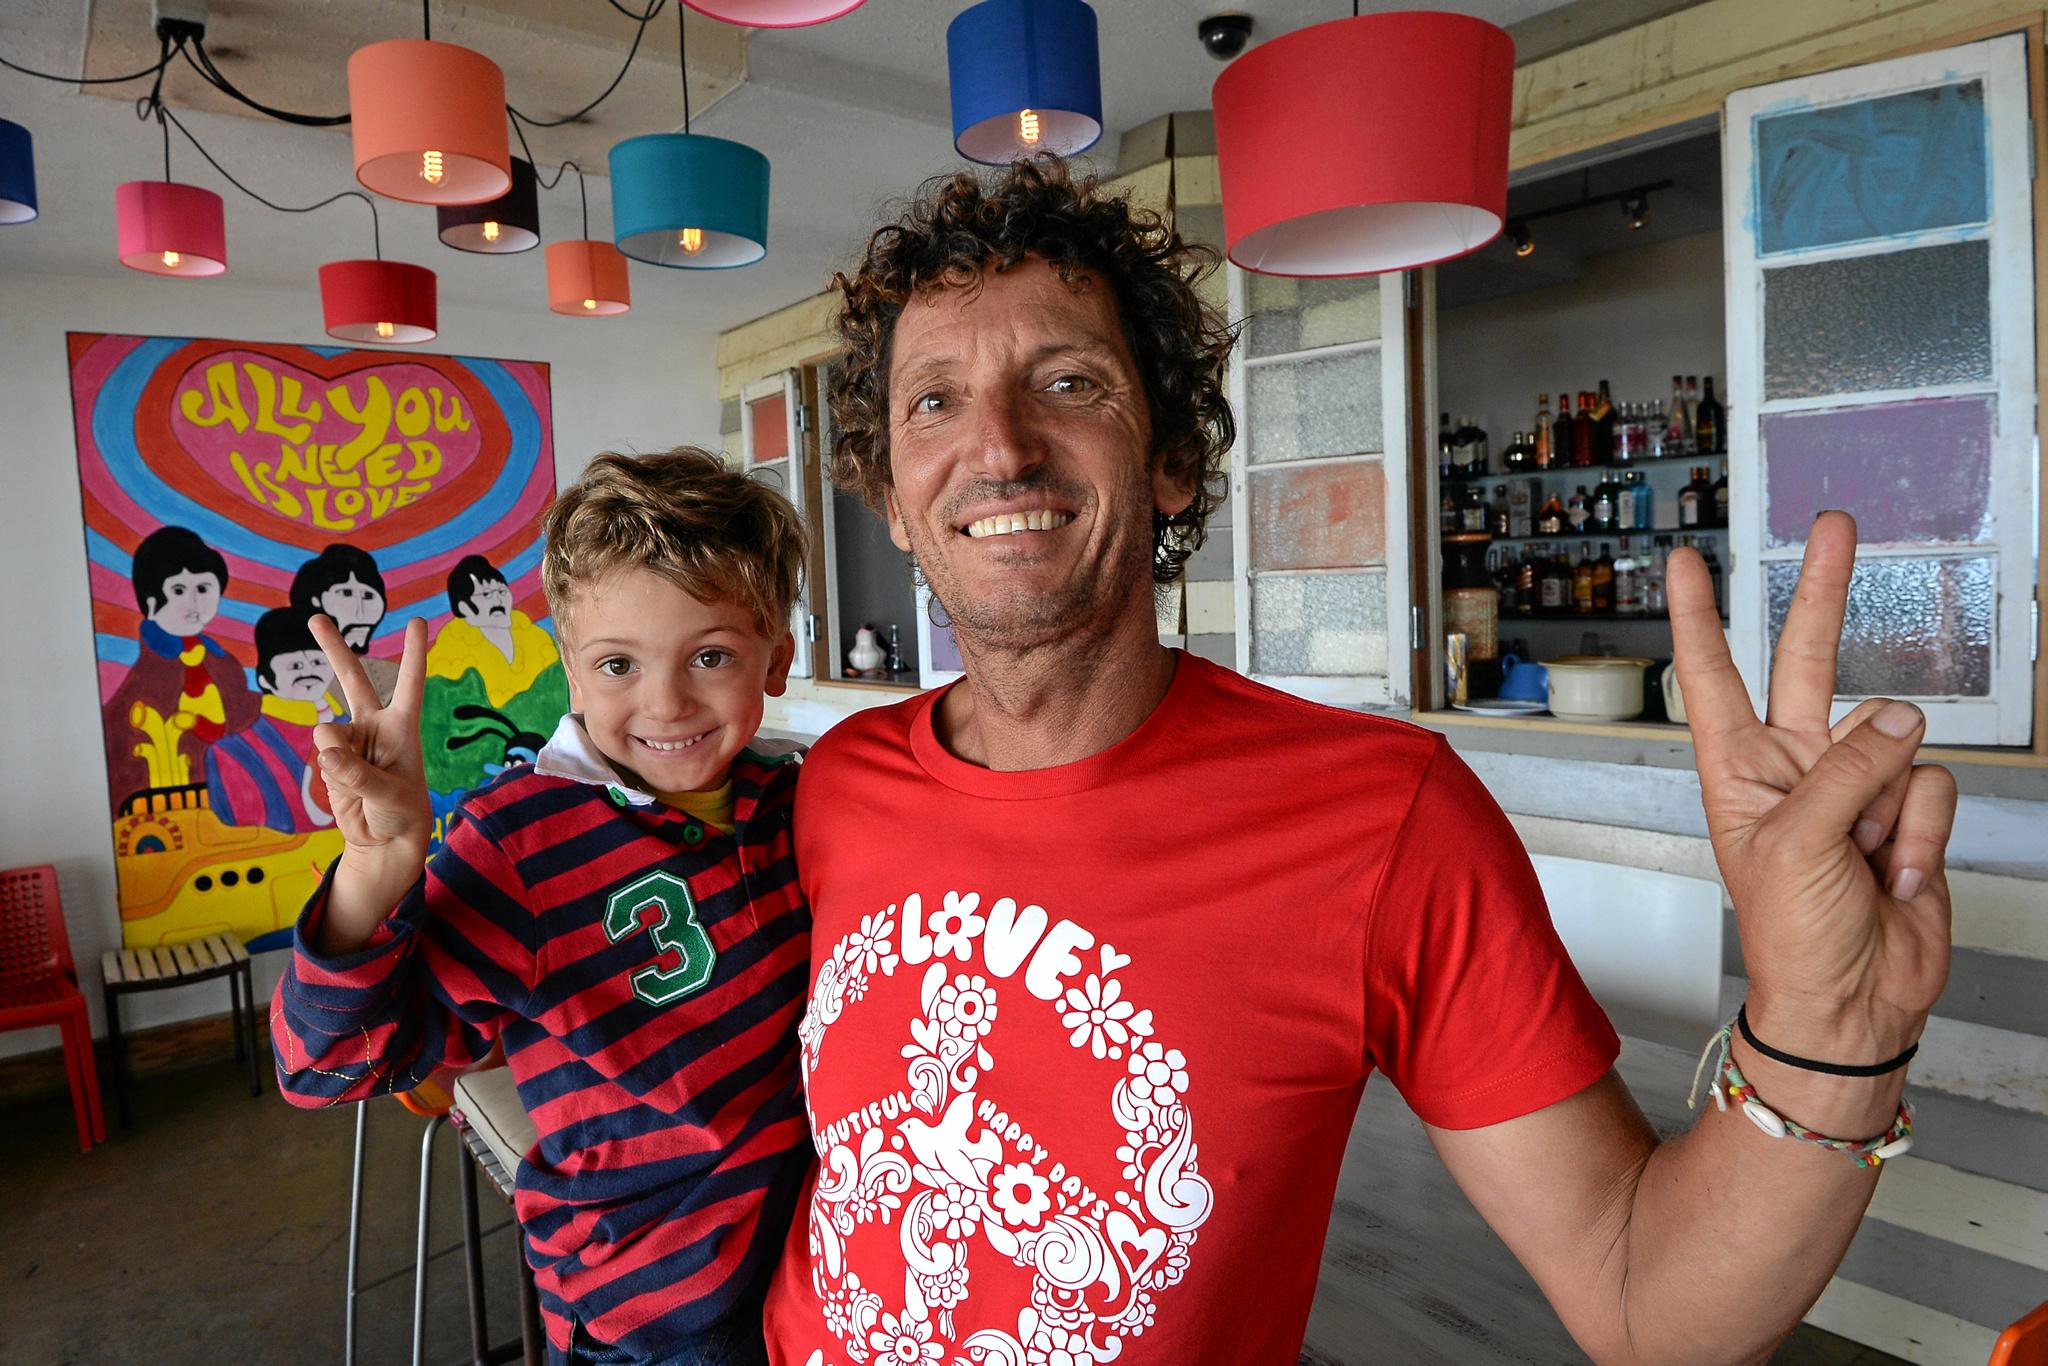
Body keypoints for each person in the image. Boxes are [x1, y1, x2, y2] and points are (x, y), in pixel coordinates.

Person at [762, 160, 1958, 1365]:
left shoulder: (1384, 817)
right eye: (932, 403)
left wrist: (1828, 1031)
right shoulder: (833, 785)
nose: (999, 447)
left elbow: (1649, 1304)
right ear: (894, 501)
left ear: (1172, 456)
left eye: (1067, 381)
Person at [272, 448, 816, 1364]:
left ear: (777, 658)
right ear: (570, 666)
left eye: (712, 654)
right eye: (617, 664)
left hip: (811, 1260)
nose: (667, 700)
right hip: (655, 1314)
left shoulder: (792, 799)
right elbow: (323, 1067)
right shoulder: (520, 842)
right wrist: (375, 869)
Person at [101, 524, 259, 810]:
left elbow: (243, 712)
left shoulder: (222, 662)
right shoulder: (149, 676)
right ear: (151, 600)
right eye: (178, 590)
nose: (194, 602)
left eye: (203, 588)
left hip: (228, 793)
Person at [423, 552, 571, 800]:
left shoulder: (540, 643)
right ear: (464, 608)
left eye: (500, 590)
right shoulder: (447, 662)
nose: (497, 599)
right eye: (485, 595)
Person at [204, 606, 342, 832]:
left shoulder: (355, 728)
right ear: (266, 679)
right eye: (295, 665)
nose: (308, 671)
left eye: (318, 663)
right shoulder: (231, 755)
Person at [290, 543, 398, 704]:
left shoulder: (395, 676)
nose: (360, 612)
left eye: (368, 596)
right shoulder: (300, 677)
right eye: (346, 593)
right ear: (316, 600)